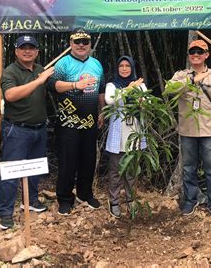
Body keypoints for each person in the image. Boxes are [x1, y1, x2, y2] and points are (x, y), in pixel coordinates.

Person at [0, 35, 54, 230]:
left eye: (31, 48)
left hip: (39, 128)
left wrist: (74, 85)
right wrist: (39, 81)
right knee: (11, 172)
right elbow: (10, 95)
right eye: (23, 48)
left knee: (34, 169)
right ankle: (5, 212)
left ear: (37, 51)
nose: (27, 51)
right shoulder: (10, 72)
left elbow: (53, 87)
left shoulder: (40, 70)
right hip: (17, 130)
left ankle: (30, 201)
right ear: (16, 51)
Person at [169, 39, 211, 216]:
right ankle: (190, 201)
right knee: (189, 168)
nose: (196, 55)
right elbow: (169, 89)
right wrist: (192, 80)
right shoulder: (181, 75)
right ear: (189, 55)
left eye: (200, 52)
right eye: (192, 52)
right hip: (187, 130)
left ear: (206, 55)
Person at [48, 28, 105, 215]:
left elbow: (101, 90)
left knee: (88, 160)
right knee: (67, 162)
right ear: (71, 43)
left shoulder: (96, 64)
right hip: (68, 122)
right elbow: (53, 86)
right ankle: (64, 198)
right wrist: (74, 85)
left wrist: (102, 112)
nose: (81, 45)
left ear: (89, 45)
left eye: (85, 42)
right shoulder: (63, 63)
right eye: (77, 41)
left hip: (90, 122)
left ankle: (85, 194)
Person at [104, 56, 146, 218]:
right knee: (115, 171)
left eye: (127, 66)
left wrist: (140, 98)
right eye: (121, 65)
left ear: (132, 68)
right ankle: (114, 202)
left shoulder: (140, 85)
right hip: (118, 134)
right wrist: (129, 88)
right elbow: (110, 100)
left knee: (132, 171)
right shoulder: (112, 85)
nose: (124, 68)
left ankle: (131, 200)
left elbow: (146, 102)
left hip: (134, 133)